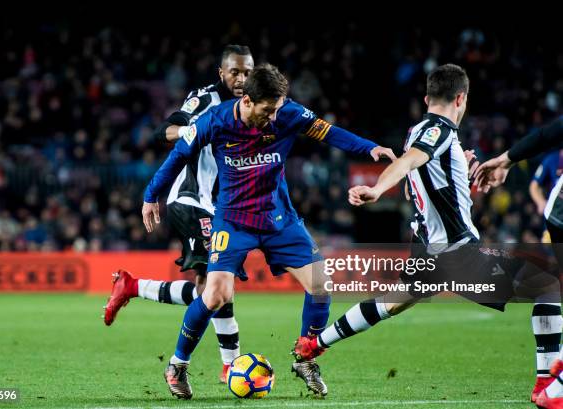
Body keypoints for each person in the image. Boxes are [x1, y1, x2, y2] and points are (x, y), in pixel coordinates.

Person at [291, 65, 561, 405]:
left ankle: (313, 346)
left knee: (392, 302)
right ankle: (546, 387)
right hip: (456, 252)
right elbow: (408, 165)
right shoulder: (438, 129)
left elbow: (415, 185)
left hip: (429, 250)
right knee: (547, 286)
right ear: (461, 98)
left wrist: (457, 167)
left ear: (426, 97)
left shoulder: (416, 130)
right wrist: (376, 189)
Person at [142, 63, 396, 399]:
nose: (275, 118)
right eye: (268, 111)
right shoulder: (213, 120)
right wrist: (150, 196)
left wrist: (368, 148)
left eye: (278, 110)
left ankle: (306, 357)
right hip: (232, 220)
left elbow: (327, 132)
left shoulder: (287, 112)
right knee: (216, 294)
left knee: (321, 284)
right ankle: (177, 365)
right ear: (246, 101)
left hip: (279, 220)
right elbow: (176, 156)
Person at [103, 45, 254, 382]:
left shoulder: (252, 105)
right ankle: (229, 364)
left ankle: (132, 287)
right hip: (188, 199)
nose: (241, 79)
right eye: (235, 72)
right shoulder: (205, 99)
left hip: (214, 206)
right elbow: (165, 131)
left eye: (247, 72)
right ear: (221, 73)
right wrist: (192, 132)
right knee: (216, 283)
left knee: (212, 290)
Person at [475, 116, 563, 408]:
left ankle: (552, 381)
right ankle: (556, 388)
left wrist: (506, 159)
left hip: (557, 210)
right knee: (547, 285)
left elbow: (548, 132)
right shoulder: (550, 162)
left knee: (549, 286)